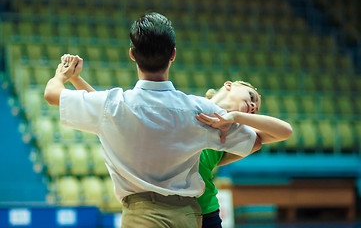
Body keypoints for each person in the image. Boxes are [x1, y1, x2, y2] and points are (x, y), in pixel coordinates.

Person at [44, 12, 263, 228]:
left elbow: (52, 94)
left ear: (132, 54)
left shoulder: (114, 104)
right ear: (173, 54)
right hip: (187, 216)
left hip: (142, 215)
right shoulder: (199, 108)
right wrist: (236, 118)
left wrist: (63, 75)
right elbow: (257, 141)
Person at [197, 81, 292, 228]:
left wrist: (236, 117)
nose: (253, 106)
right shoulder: (190, 105)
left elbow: (285, 131)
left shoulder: (235, 132)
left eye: (254, 111)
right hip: (163, 206)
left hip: (205, 210)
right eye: (251, 97)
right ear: (229, 85)